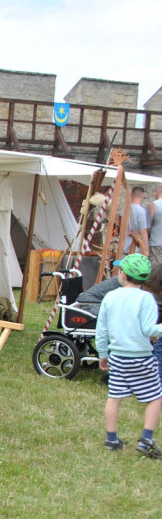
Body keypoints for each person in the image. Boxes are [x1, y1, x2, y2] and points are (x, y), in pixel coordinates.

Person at [97, 253, 162, 459]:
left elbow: (102, 330)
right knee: (155, 397)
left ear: (123, 274)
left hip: (117, 357)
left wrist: (102, 354)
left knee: (114, 397)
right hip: (142, 357)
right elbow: (149, 330)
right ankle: (146, 438)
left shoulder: (110, 297)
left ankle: (111, 438)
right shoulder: (147, 299)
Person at [147, 185, 162, 267]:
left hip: (156, 243)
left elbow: (148, 225)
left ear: (156, 192)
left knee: (157, 269)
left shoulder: (154, 205)